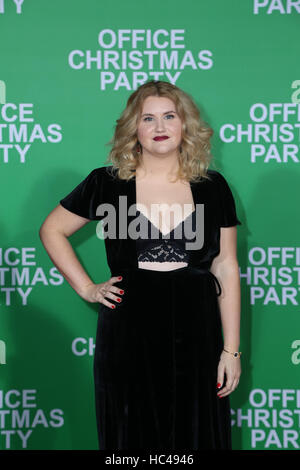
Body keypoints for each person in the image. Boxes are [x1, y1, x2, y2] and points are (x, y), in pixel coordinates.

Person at [39, 80, 242, 450]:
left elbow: (226, 266)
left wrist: (231, 350)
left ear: (186, 125)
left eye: (169, 116)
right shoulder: (106, 183)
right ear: (134, 128)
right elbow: (52, 230)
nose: (160, 127)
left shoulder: (214, 187)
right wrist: (87, 286)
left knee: (197, 437)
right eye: (148, 118)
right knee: (131, 439)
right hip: (128, 331)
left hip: (198, 329)